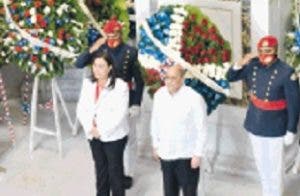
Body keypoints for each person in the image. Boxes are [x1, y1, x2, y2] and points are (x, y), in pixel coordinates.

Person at [226, 35, 300, 196]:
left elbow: (294, 104)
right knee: (261, 165)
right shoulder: (252, 66)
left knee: (275, 168)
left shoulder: (286, 72)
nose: (264, 54)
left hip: (276, 126)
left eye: (268, 50)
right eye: (261, 51)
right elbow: (230, 77)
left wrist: (291, 129)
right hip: (255, 122)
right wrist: (241, 62)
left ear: (275, 50)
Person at [75, 17, 144, 188]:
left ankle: (126, 173)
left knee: (127, 139)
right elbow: (79, 63)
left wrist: (136, 102)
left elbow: (138, 80)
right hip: (102, 98)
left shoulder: (130, 52)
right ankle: (114, 177)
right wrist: (95, 46)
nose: (112, 37)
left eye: (114, 33)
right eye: (108, 34)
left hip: (123, 98)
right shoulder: (101, 50)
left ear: (120, 33)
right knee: (103, 160)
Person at [77, 52, 129, 196]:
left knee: (115, 172)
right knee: (100, 170)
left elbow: (119, 114)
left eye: (101, 66)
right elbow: (82, 109)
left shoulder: (121, 86)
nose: (96, 69)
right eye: (94, 65)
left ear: (110, 67)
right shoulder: (88, 83)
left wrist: (101, 130)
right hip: (93, 135)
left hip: (114, 137)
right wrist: (90, 128)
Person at [150, 64, 207, 196]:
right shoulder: (159, 95)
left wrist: (198, 154)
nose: (169, 81)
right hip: (166, 153)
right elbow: (155, 121)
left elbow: (202, 129)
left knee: (189, 192)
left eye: (173, 78)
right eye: (167, 78)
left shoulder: (194, 98)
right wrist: (155, 145)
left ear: (182, 79)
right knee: (169, 191)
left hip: (186, 155)